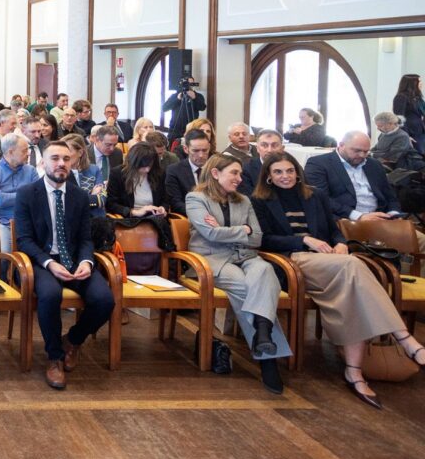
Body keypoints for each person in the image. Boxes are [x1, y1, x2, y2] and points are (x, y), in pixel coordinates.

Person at [251, 153, 425, 408]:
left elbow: (334, 231)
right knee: (356, 265)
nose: (285, 176)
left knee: (352, 293)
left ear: (297, 172)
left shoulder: (316, 195)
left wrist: (342, 245)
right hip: (293, 261)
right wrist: (304, 239)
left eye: (289, 170)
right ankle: (404, 338)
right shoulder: (259, 200)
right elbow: (264, 240)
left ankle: (354, 372)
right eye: (278, 172)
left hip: (333, 262)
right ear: (268, 175)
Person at [15, 141, 116, 391]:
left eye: (66, 159)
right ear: (43, 163)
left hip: (73, 260)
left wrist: (86, 261)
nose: (61, 163)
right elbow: (24, 240)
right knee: (50, 294)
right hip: (40, 261)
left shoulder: (79, 196)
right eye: (55, 158)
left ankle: (72, 340)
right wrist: (49, 263)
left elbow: (84, 238)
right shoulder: (27, 193)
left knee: (105, 300)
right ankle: (55, 358)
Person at [186, 155, 289, 394]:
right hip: (213, 260)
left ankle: (262, 334)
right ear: (215, 174)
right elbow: (210, 236)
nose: (239, 179)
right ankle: (267, 360)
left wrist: (229, 231)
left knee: (265, 270)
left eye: (240, 174)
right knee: (248, 286)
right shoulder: (195, 198)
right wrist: (242, 229)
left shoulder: (244, 201)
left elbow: (257, 237)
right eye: (234, 173)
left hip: (246, 256)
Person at [305, 131, 425, 251]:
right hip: (346, 222)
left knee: (422, 242)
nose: (362, 155)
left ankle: (408, 269)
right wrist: (360, 216)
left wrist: (393, 214)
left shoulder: (374, 165)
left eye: (366, 151)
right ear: (341, 145)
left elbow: (390, 196)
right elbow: (322, 200)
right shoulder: (319, 164)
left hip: (381, 220)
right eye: (357, 150)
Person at [0, 132, 40, 251]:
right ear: (10, 152)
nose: (28, 154)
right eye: (24, 151)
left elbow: (40, 197)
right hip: (3, 223)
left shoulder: (31, 170)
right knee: (5, 254)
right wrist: (26, 195)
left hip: (29, 221)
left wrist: (8, 198)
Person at [106, 142, 168, 217]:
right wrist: (134, 212)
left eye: (150, 165)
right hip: (128, 219)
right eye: (143, 166)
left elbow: (165, 200)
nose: (147, 170)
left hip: (154, 218)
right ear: (133, 163)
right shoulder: (118, 174)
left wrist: (162, 208)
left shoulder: (159, 173)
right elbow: (111, 204)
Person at [166, 128, 212, 216]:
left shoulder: (216, 169)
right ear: (186, 149)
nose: (201, 155)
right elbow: (176, 203)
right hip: (189, 218)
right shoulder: (174, 171)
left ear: (209, 147)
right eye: (196, 151)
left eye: (204, 150)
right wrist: (201, 215)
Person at [60, 134, 106, 217]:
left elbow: (103, 198)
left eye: (68, 151)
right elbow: (68, 203)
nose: (64, 155)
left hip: (96, 219)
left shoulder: (94, 169)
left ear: (80, 152)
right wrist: (92, 196)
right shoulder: (60, 173)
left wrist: (81, 200)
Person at [239, 129, 286, 195]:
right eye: (264, 145)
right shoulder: (246, 170)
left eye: (274, 145)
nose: (269, 150)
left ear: (282, 148)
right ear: (257, 148)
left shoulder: (292, 167)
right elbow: (249, 198)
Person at [392, 73, 424, 154]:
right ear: (412, 83)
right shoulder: (401, 97)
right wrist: (406, 136)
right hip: (410, 133)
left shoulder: (418, 99)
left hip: (420, 132)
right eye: (419, 81)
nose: (422, 84)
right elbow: (399, 118)